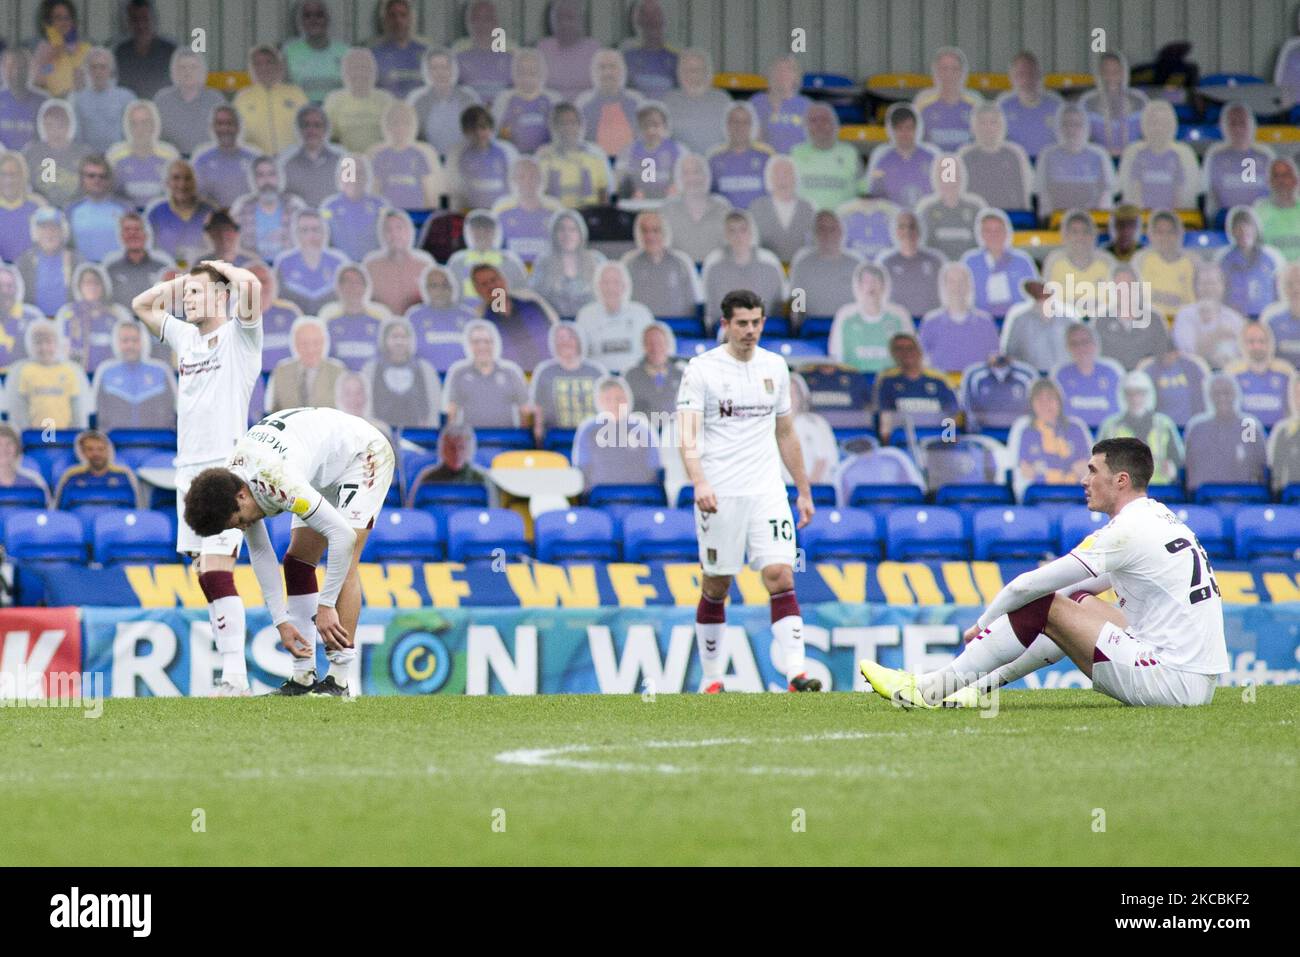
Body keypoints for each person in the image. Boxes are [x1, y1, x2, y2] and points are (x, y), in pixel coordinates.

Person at [860, 437, 1227, 709]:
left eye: (1093, 471)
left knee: (1043, 604)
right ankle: (974, 688)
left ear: (1121, 480)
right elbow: (1074, 587)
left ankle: (929, 691)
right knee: (1075, 601)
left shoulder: (1126, 530)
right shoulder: (1159, 517)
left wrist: (983, 624)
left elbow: (1028, 587)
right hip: (1195, 681)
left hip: (1170, 682)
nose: (1084, 480)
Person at [183, 407, 396, 697]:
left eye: (242, 521)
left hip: (362, 455)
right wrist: (281, 622)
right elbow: (261, 555)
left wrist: (326, 605)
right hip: (320, 464)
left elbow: (342, 537)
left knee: (346, 562)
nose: (246, 525)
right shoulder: (233, 482)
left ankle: (339, 680)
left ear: (242, 496)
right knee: (297, 564)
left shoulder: (277, 481)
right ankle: (303, 676)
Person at [676, 288, 820, 694]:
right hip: (719, 493)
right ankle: (712, 678)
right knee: (717, 582)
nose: (751, 330)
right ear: (725, 325)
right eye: (742, 323)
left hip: (766, 490)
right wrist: (699, 480)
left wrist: (803, 491)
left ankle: (797, 673)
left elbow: (786, 433)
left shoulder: (775, 366)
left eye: (757, 322)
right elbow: (686, 434)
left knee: (779, 574)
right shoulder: (701, 370)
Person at [131, 258, 263, 697]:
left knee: (216, 567)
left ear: (221, 296)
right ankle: (230, 673)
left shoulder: (239, 337)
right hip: (187, 468)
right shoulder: (186, 337)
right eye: (185, 293)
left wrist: (218, 268)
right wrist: (184, 283)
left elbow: (251, 286)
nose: (187, 298)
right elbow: (141, 304)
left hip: (224, 468)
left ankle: (235, 677)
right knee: (202, 572)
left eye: (196, 292)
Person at [1007, 377, 1093, 497]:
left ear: (1059, 401)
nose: (1045, 405)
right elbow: (1026, 471)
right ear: (1032, 404)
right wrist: (1063, 475)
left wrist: (1044, 473)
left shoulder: (1076, 428)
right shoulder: (1025, 431)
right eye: (1040, 400)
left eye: (1050, 399)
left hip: (1075, 495)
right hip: (1038, 497)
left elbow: (1084, 469)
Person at [572, 375, 660, 490]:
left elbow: (655, 469)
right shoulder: (588, 429)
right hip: (599, 499)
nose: (614, 404)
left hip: (641, 497)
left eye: (619, 399)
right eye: (608, 399)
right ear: (599, 402)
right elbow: (581, 469)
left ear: (628, 399)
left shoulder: (643, 427)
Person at [1097, 370, 1183, 487]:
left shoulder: (1164, 424)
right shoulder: (1110, 426)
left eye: (1140, 393)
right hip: (1122, 492)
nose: (1135, 398)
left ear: (1148, 395)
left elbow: (1179, 460)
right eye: (1130, 393)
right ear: (1123, 396)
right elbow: (1098, 463)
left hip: (1160, 491)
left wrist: (1173, 469)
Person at [90, 317, 177, 431]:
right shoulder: (105, 371)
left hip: (158, 442)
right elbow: (96, 413)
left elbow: (175, 410)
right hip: (116, 444)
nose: (130, 345)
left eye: (135, 340)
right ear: (117, 342)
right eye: (125, 341)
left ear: (143, 341)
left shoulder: (161, 371)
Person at [1184, 373, 1266, 492]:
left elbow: (1259, 466)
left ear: (1236, 394)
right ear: (1209, 397)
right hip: (1204, 499)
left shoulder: (1248, 425)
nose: (1222, 398)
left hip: (1245, 497)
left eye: (1227, 392)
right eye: (1216, 394)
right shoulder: (1197, 428)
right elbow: (1190, 469)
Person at [467, 263, 557, 372]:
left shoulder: (532, 305)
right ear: (477, 290)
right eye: (484, 284)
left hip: (548, 371)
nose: (491, 286)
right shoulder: (481, 323)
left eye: (493, 280)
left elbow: (556, 333)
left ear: (503, 280)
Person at [442, 317, 529, 428]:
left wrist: (521, 440)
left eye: (487, 341)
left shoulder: (511, 372)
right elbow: (451, 413)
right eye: (476, 342)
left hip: (507, 441)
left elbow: (525, 411)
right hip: (471, 441)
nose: (482, 346)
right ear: (469, 345)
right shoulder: (458, 372)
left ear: (494, 343)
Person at [4, 320, 91, 431]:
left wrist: (76, 434)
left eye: (49, 342)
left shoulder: (72, 371)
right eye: (38, 343)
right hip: (33, 439)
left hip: (66, 437)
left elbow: (78, 409)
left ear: (57, 343)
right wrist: (25, 435)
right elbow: (17, 410)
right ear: (29, 344)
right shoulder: (20, 371)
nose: (44, 348)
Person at [528, 321, 606, 442]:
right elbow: (538, 409)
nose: (565, 342)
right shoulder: (544, 371)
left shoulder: (596, 371)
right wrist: (539, 436)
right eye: (560, 338)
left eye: (570, 337)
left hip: (593, 436)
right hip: (556, 437)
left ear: (578, 341)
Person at [1033, 103, 1116, 217]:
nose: (1071, 130)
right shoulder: (1047, 155)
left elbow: (1106, 195)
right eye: (1066, 124)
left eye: (1077, 124)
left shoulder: (1099, 155)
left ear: (1086, 127)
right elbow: (1044, 198)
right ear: (1058, 126)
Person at [872, 331, 959, 439]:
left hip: (937, 443)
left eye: (910, 348)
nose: (906, 353)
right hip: (902, 442)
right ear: (893, 353)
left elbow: (951, 416)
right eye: (899, 349)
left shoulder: (940, 380)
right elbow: (884, 418)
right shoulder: (886, 381)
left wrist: (948, 442)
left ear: (919, 351)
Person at [1117, 100, 1200, 212]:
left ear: (1172, 125)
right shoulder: (1136, 154)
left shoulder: (1179, 156)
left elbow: (1179, 193)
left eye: (1163, 123)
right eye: (1154, 123)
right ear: (1145, 124)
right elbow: (1134, 190)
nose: (1158, 128)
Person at [918, 261, 999, 373]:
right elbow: (921, 359)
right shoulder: (930, 322)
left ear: (969, 285)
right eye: (952, 282)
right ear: (944, 286)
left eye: (961, 281)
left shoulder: (986, 322)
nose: (957, 287)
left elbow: (995, 360)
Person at [361, 315, 441, 430]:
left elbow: (433, 403)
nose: (399, 341)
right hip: (380, 431)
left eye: (403, 337)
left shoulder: (424, 368)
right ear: (385, 340)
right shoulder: (371, 368)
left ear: (410, 340)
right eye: (394, 337)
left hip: (417, 432)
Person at [575, 261, 654, 374]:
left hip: (636, 380)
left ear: (625, 286)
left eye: (616, 282)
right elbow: (579, 357)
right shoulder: (585, 315)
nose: (611, 288)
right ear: (597, 286)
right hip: (598, 381)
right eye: (606, 283)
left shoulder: (642, 314)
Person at [960, 208, 1039, 320]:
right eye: (988, 230)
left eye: (998, 230)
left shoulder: (1022, 261)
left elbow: (1034, 296)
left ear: (1007, 232)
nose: (994, 235)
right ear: (981, 234)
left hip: (1017, 320)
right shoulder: (970, 261)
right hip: (980, 322)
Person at [1093, 263, 1173, 370]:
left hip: (1147, 380)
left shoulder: (1153, 318)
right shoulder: (1101, 321)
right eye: (1119, 286)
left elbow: (1165, 353)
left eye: (1129, 285)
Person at [232, 45, 308, 157]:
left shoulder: (296, 94)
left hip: (292, 161)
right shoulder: (242, 98)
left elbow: (309, 128)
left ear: (279, 65)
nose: (264, 68)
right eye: (257, 64)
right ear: (251, 68)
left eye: (269, 62)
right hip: (256, 164)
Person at [1202, 102, 1273, 222]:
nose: (1238, 129)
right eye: (1233, 123)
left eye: (1242, 123)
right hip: (1224, 220)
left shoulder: (1266, 156)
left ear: (1252, 125)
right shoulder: (1215, 156)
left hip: (1261, 219)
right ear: (1223, 126)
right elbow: (1210, 198)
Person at [368, 100, 444, 210]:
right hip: (389, 215)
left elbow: (430, 194)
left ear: (413, 125)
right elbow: (374, 192)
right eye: (395, 123)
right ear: (386, 125)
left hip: (416, 214)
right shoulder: (378, 156)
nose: (400, 128)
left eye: (406, 123)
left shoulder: (421, 154)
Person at [788, 211, 862, 324]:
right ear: (814, 233)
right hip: (813, 330)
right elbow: (797, 307)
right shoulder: (802, 264)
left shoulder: (856, 265)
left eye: (832, 229)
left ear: (841, 232)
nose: (827, 234)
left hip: (848, 327)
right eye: (821, 229)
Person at [957, 102, 1033, 212]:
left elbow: (1024, 192)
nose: (988, 128)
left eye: (993, 122)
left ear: (1002, 125)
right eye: (982, 122)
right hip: (974, 214)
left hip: (1011, 215)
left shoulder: (1015, 153)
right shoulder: (964, 155)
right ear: (973, 127)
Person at [408, 47, 482, 158]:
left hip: (465, 159)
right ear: (427, 72)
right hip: (430, 161)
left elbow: (480, 133)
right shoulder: (418, 101)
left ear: (453, 70)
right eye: (434, 68)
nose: (440, 73)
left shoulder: (469, 98)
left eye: (445, 67)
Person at [57, 263, 131, 373]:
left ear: (104, 285)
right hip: (77, 373)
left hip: (111, 373)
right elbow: (60, 347)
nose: (92, 287)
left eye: (96, 283)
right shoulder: (68, 313)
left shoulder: (118, 313)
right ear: (79, 286)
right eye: (87, 283)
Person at [318, 264, 394, 371]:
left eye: (357, 282)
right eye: (347, 282)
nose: (353, 287)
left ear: (366, 287)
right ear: (338, 287)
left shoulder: (381, 317)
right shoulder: (328, 317)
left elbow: (391, 354)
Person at [659, 151, 731, 264]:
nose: (692, 178)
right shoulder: (668, 209)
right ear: (679, 178)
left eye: (697, 172)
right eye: (686, 173)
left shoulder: (723, 207)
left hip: (716, 273)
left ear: (706, 175)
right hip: (680, 274)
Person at [1171, 261, 1246, 369]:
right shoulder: (1185, 315)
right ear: (1195, 286)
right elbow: (1189, 353)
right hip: (1194, 373)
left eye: (1213, 283)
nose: (1209, 288)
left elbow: (1242, 356)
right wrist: (1218, 334)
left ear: (1223, 286)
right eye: (1204, 283)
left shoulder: (1234, 318)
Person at [264, 316, 347, 413]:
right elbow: (272, 412)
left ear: (325, 342)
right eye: (304, 343)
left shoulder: (338, 371)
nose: (310, 349)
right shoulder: (281, 371)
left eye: (316, 343)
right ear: (294, 343)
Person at [323, 47, 396, 156]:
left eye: (365, 68)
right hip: (347, 162)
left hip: (379, 162)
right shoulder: (333, 100)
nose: (360, 73)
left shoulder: (386, 100)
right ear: (344, 72)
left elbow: (397, 137)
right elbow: (327, 139)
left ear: (374, 72)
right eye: (353, 68)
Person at [406, 264, 479, 372]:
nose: (440, 290)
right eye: (434, 285)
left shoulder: (468, 316)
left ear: (453, 288)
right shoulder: (414, 317)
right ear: (425, 289)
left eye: (445, 285)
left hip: (463, 377)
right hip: (426, 377)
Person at [446, 104, 520, 211]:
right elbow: (453, 190)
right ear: (465, 132)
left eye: (483, 127)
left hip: (503, 211)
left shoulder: (508, 151)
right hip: (469, 212)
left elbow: (516, 186)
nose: (479, 133)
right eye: (473, 129)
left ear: (491, 128)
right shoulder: (456, 154)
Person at [863, 103, 937, 209]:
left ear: (916, 129)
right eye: (900, 128)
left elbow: (943, 192)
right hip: (894, 220)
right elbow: (875, 194)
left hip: (926, 216)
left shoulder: (932, 158)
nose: (905, 133)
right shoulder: (882, 160)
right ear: (892, 130)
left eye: (909, 128)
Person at [789, 103, 860, 212]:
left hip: (842, 223)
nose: (819, 125)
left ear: (835, 124)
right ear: (805, 126)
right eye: (813, 121)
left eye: (824, 119)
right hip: (805, 224)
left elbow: (864, 192)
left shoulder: (850, 153)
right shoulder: (794, 153)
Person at [1041, 210, 1117, 312]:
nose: (1080, 237)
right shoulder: (1054, 261)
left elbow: (1117, 302)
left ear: (1093, 235)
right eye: (1074, 232)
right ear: (1065, 236)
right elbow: (1046, 302)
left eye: (1085, 232)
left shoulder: (1107, 262)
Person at [152, 50, 225, 157]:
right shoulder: (162, 100)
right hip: (171, 159)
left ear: (202, 71)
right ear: (174, 72)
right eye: (182, 68)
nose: (188, 72)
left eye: (193, 67)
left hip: (208, 159)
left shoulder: (216, 100)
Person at [106, 98, 177, 208]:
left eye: (145, 123)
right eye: (134, 124)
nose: (140, 129)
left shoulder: (170, 155)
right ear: (127, 127)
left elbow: (178, 194)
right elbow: (108, 195)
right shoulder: (114, 156)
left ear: (154, 125)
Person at [274, 208, 347, 315]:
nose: (310, 236)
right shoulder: (284, 262)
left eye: (316, 229)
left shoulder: (339, 261)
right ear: (296, 233)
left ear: (325, 232)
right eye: (304, 230)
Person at [1216, 205, 1284, 319]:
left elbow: (1281, 287)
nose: (1243, 231)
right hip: (1234, 317)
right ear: (1231, 231)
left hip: (1266, 316)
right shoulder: (1223, 258)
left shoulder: (1272, 256)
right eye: (1238, 227)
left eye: (1247, 226)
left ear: (1256, 228)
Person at [364, 208, 437, 315]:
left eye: (399, 228)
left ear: (409, 231)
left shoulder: (425, 263)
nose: (394, 234)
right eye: (388, 229)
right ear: (381, 234)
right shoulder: (370, 265)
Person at [659, 48, 730, 157]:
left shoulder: (723, 99)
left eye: (698, 69)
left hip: (717, 163)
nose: (693, 74)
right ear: (679, 73)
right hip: (680, 167)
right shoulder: (667, 101)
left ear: (708, 72)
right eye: (687, 70)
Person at [1052, 323, 1123, 429]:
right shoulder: (1060, 374)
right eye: (1074, 344)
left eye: (1085, 342)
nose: (1081, 348)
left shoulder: (1112, 371)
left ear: (1095, 344)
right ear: (1068, 347)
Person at [1225, 321, 1295, 429]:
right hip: (1246, 436)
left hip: (1277, 437)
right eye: (1251, 342)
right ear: (1243, 344)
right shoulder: (1233, 374)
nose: (1257, 346)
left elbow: (1293, 411)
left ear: (1270, 343)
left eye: (1262, 341)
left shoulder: (1285, 372)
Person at [144, 160, 214, 268]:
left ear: (195, 182)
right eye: (176, 178)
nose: (182, 184)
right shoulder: (155, 214)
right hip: (166, 276)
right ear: (167, 182)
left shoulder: (210, 211)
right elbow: (149, 251)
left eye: (187, 178)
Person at [23, 98, 91, 208]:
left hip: (77, 209)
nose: (55, 131)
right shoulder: (30, 153)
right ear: (42, 126)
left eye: (61, 125)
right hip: (39, 210)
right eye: (50, 125)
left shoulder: (85, 154)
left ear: (70, 125)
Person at [447, 209, 527, 302]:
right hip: (466, 313)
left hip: (500, 312)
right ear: (468, 232)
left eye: (487, 229)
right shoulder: (457, 261)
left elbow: (522, 292)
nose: (482, 233)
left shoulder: (509, 260)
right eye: (476, 228)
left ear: (496, 232)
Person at [913, 153, 981, 262]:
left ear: (962, 178)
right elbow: (921, 248)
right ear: (936, 179)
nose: (949, 184)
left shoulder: (975, 209)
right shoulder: (927, 210)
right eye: (944, 177)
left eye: (954, 177)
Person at [748, 155, 816, 264]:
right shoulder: (756, 208)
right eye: (777, 175)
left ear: (795, 178)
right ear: (769, 179)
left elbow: (814, 246)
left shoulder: (808, 208)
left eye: (787, 174)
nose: (782, 179)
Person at [996, 51, 1063, 160]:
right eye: (1021, 74)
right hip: (1013, 165)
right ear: (1011, 78)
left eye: (1031, 73)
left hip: (1049, 165)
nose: (1027, 80)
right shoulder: (1002, 105)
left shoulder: (1056, 105)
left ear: (1040, 76)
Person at [492, 47, 558, 157]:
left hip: (547, 157)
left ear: (542, 74)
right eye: (522, 72)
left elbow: (560, 135)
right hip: (513, 158)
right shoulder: (503, 100)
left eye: (532, 72)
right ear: (513, 73)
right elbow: (496, 135)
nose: (527, 78)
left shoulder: (553, 99)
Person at [914, 47, 982, 153]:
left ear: (963, 72)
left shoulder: (975, 104)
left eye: (955, 69)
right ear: (935, 72)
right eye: (944, 69)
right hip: (933, 166)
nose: (949, 74)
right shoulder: (922, 103)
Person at [319, 154, 384, 266]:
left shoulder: (381, 206)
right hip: (340, 269)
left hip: (374, 267)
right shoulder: (328, 207)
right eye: (348, 172)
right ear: (339, 176)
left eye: (359, 172)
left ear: (367, 177)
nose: (353, 177)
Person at [101, 212, 174, 311]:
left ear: (146, 235)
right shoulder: (110, 269)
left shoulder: (162, 268)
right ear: (121, 236)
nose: (132, 234)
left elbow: (172, 303)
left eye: (137, 229)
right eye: (127, 230)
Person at [191, 105, 259, 211]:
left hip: (250, 221)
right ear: (212, 127)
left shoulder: (254, 157)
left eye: (230, 123)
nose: (224, 128)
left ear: (239, 126)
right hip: (217, 221)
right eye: (219, 124)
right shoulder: (202, 159)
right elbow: (196, 197)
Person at [707, 102, 773, 210]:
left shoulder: (766, 157)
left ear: (753, 125)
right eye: (734, 121)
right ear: (726, 124)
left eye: (745, 122)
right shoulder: (714, 158)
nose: (739, 126)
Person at [405, 423, 492, 505]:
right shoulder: (427, 477)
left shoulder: (482, 478)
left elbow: (493, 512)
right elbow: (412, 512)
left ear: (470, 450)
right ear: (442, 449)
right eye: (451, 448)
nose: (457, 453)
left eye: (461, 448)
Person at [1001, 279, 1077, 372]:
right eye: (1036, 289)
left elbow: (1079, 344)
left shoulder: (1067, 317)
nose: (1040, 292)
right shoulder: (1020, 320)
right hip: (1033, 375)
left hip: (1064, 373)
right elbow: (1011, 351)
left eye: (1043, 288)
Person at [1080, 51, 1146, 157]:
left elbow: (1147, 135)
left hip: (1133, 159)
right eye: (1106, 72)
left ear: (1123, 72)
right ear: (1099, 73)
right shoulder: (1087, 102)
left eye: (1116, 71)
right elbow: (1081, 137)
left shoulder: (1139, 100)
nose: (1111, 77)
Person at [281, 0, 349, 104]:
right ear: (301, 21)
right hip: (301, 115)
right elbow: (282, 91)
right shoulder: (289, 51)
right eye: (307, 15)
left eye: (319, 15)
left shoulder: (345, 51)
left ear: (328, 19)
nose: (314, 20)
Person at [1133, 209, 1196, 320]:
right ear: (1151, 235)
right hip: (1148, 322)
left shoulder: (1191, 262)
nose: (1165, 237)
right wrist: (1158, 296)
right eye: (1159, 232)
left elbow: (1196, 301)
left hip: (1183, 321)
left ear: (1179, 234)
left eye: (1170, 232)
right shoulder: (1141, 260)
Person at [614, 102, 683, 202]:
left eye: (655, 125)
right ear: (638, 128)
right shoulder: (628, 152)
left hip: (670, 204)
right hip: (637, 205)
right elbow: (618, 181)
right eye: (645, 125)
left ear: (665, 126)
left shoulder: (678, 150)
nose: (651, 130)